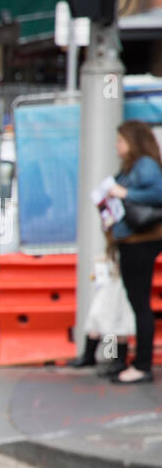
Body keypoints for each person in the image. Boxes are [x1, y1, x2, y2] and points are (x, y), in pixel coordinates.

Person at [103, 121, 162, 384]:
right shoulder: (134, 166)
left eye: (120, 142)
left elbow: (159, 192)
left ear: (133, 141)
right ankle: (128, 361)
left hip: (140, 241)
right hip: (131, 240)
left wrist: (124, 192)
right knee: (132, 304)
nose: (117, 147)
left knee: (139, 304)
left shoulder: (145, 166)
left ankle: (141, 365)